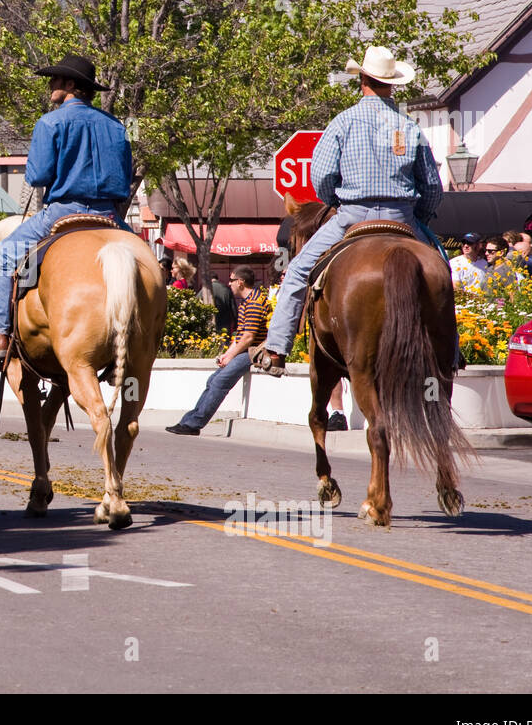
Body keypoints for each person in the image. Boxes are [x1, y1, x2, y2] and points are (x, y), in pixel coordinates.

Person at [252, 46, 443, 376]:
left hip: (352, 216)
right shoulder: (408, 127)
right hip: (402, 218)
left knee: (297, 271)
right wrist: (417, 219)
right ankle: (450, 354)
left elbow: (321, 176)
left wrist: (336, 203)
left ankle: (276, 349)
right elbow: (432, 188)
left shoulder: (342, 122)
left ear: (363, 81)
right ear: (392, 84)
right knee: (442, 271)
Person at [0, 54, 132, 370]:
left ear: (70, 85)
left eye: (55, 80)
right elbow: (125, 176)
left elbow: (37, 177)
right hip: (111, 217)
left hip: (63, 211)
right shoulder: (116, 126)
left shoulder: (51, 122)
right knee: (148, 267)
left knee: (4, 255)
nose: (50, 86)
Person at [165, 265, 269, 435]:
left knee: (220, 383)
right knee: (212, 380)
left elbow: (249, 338)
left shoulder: (255, 303)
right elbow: (239, 336)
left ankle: (193, 424)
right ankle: (189, 421)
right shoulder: (246, 302)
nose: (229, 284)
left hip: (252, 352)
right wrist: (226, 355)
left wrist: (231, 356)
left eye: (232, 280)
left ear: (241, 282)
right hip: (243, 350)